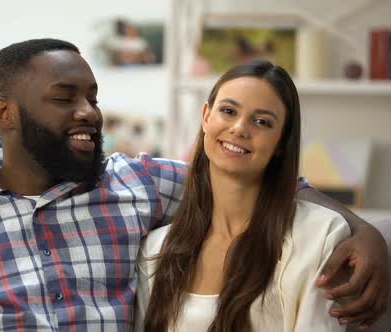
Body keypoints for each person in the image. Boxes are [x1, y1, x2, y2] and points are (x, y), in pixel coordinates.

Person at [0, 39, 387, 331]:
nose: (90, 112)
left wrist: (364, 232)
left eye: (92, 96)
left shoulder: (136, 184)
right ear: (5, 113)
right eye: (65, 99)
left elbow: (265, 178)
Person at [134, 60, 374, 332]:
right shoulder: (155, 250)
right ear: (206, 117)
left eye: (261, 121)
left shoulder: (321, 235)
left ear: (282, 142)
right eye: (228, 111)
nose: (239, 128)